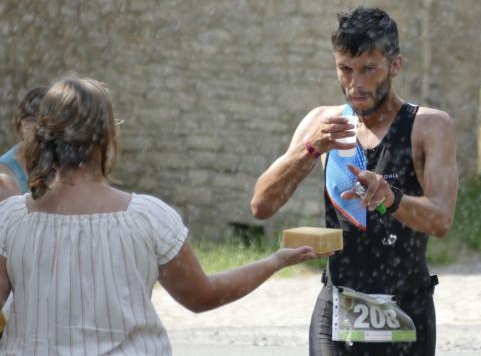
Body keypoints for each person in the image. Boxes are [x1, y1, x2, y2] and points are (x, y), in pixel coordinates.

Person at [0, 77, 322, 354]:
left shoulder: (11, 220)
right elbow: (201, 296)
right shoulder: (148, 218)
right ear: (107, 139)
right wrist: (273, 261)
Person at [250, 7, 459, 355]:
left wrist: (392, 200)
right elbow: (261, 205)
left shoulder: (430, 126)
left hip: (407, 305)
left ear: (395, 65)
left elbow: (441, 219)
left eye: (368, 69)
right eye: (345, 69)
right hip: (338, 304)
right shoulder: (322, 122)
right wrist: (309, 150)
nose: (355, 84)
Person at [0, 87, 47, 202]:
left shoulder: (62, 159)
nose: (37, 127)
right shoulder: (5, 171)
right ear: (20, 123)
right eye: (30, 119)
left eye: (43, 121)